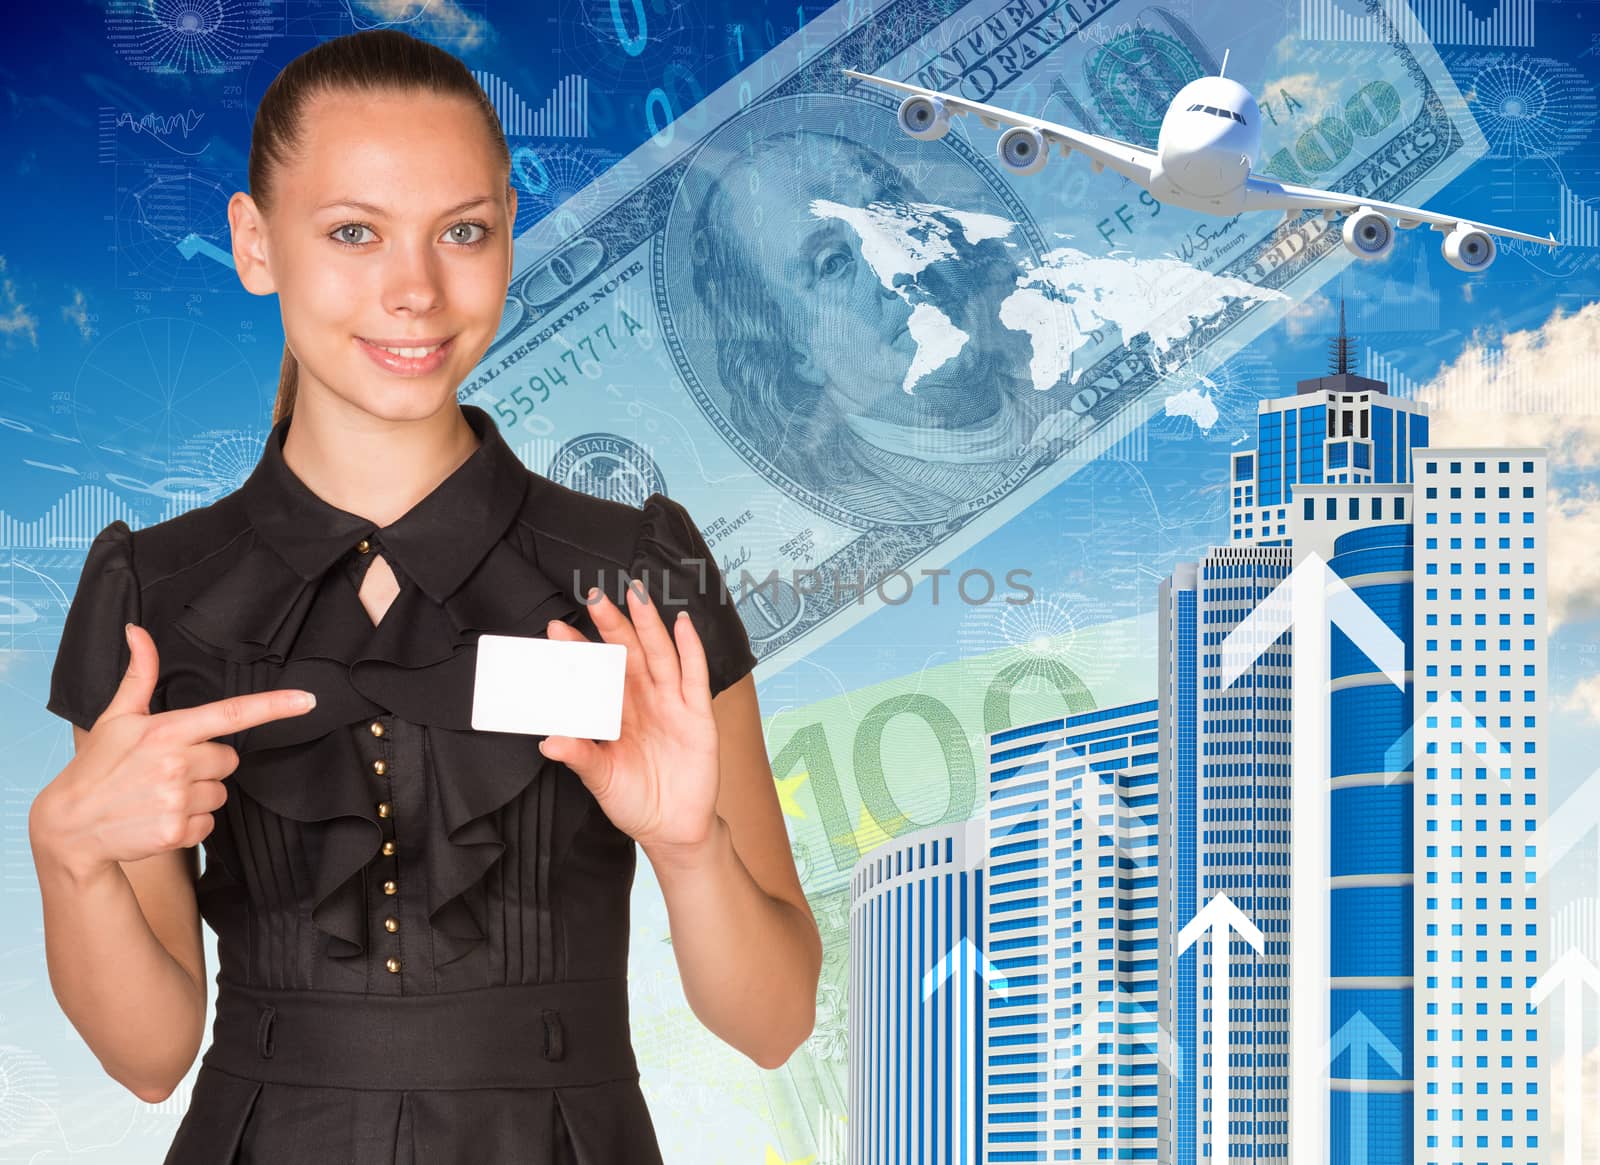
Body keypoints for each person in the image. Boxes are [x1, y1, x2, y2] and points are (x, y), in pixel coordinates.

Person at [27, 28, 821, 1165]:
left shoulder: (637, 576)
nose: (414, 290)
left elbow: (775, 1022)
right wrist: (69, 856)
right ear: (255, 244)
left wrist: (688, 849)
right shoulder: (151, 595)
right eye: (354, 232)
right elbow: (152, 1056)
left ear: (507, 231)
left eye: (463, 232)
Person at [683, 128, 1062, 524]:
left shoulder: (1068, 390)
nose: (898, 265)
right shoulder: (868, 516)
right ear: (792, 351)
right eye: (832, 263)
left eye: (891, 217)